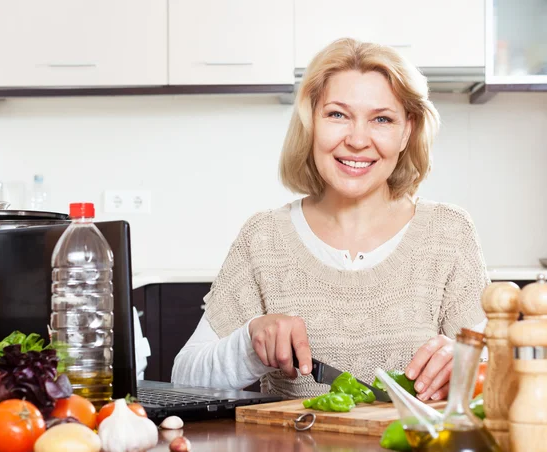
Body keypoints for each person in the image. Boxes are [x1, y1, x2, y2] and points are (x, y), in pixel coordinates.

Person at [171, 38, 489, 402]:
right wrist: (250, 341)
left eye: (381, 119)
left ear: (407, 131)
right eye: (337, 114)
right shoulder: (263, 238)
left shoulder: (448, 233)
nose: (357, 140)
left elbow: (498, 370)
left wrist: (469, 361)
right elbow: (185, 377)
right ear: (311, 122)